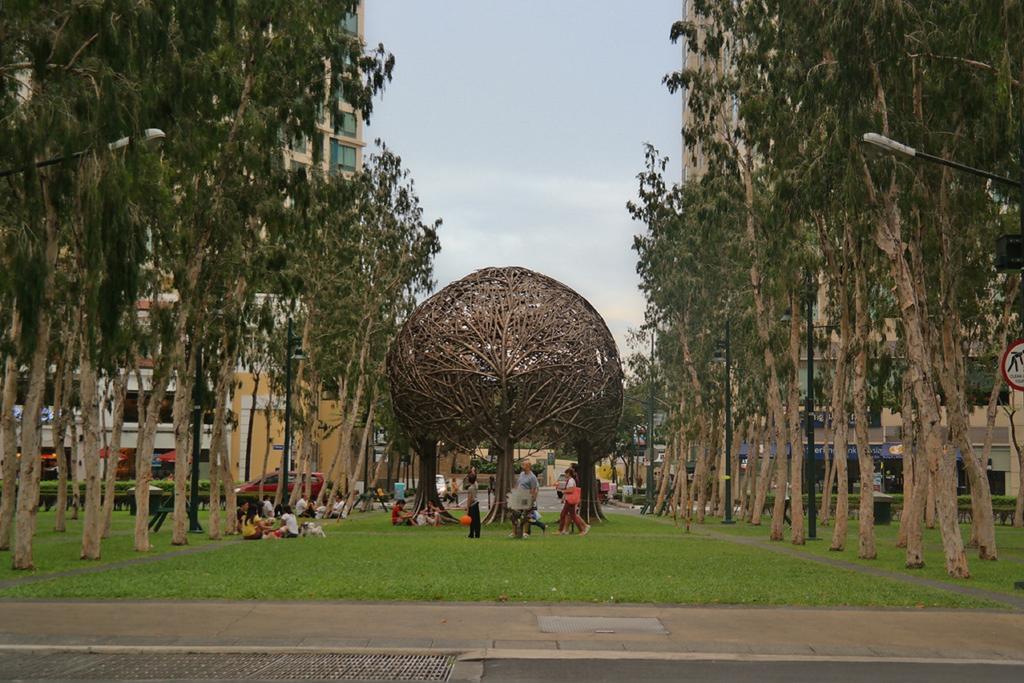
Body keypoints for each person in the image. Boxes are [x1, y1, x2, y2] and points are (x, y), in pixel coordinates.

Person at [558, 467, 589, 536]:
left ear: (569, 474)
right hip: (569, 500)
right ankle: (582, 529)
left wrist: (563, 491)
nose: (565, 475)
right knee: (570, 515)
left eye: (566, 473)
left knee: (567, 515)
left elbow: (571, 490)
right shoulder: (570, 480)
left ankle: (582, 529)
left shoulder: (571, 481)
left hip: (570, 501)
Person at [514, 461, 540, 538]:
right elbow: (518, 484)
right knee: (516, 514)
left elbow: (534, 489)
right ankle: (515, 532)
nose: (522, 466)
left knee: (526, 515)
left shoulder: (532, 477)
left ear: (528, 466)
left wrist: (532, 500)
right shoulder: (522, 474)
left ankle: (526, 532)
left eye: (523, 465)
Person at [463, 472, 481, 538]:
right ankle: (477, 534)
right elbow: (475, 479)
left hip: (472, 505)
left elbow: (469, 499)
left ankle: (471, 534)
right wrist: (473, 472)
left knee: (472, 521)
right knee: (477, 520)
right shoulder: (476, 485)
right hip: (476, 504)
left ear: (469, 480)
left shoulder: (470, 488)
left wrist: (467, 508)